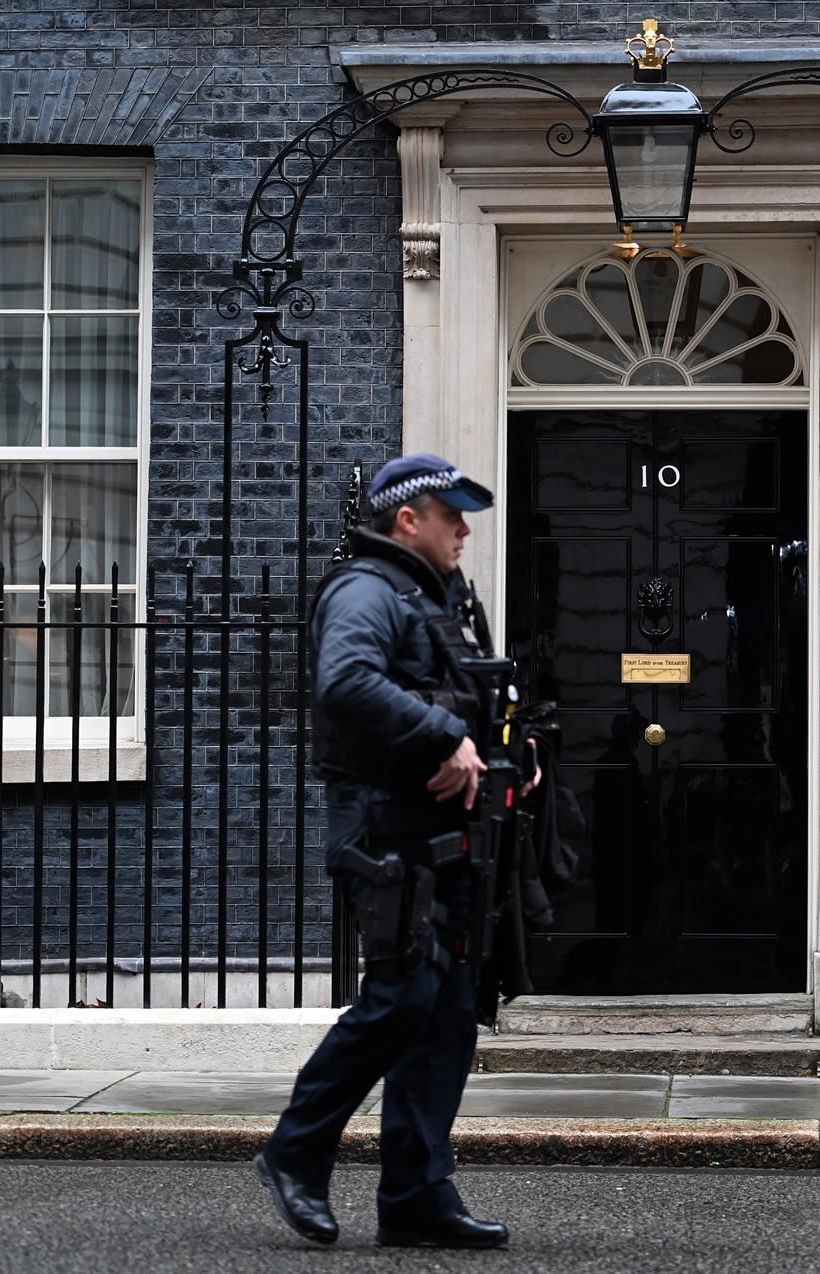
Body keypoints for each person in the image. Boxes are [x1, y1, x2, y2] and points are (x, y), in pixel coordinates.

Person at [254, 452, 526, 1250]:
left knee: (448, 1013)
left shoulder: (440, 599)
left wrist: (514, 749)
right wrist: (445, 733)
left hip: (442, 834)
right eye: (452, 515)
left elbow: (475, 695)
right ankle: (293, 1152)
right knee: (404, 997)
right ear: (409, 519)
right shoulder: (365, 591)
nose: (465, 529)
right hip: (383, 829)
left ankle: (415, 1193)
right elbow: (346, 682)